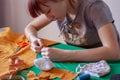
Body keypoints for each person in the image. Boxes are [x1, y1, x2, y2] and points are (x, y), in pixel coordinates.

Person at [25, 0, 120, 61]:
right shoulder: (59, 9)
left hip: (109, 63)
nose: (48, 17)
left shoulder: (94, 8)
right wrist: (33, 39)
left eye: (48, 11)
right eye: (44, 13)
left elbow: (113, 52)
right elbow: (30, 27)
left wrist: (65, 55)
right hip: (80, 62)